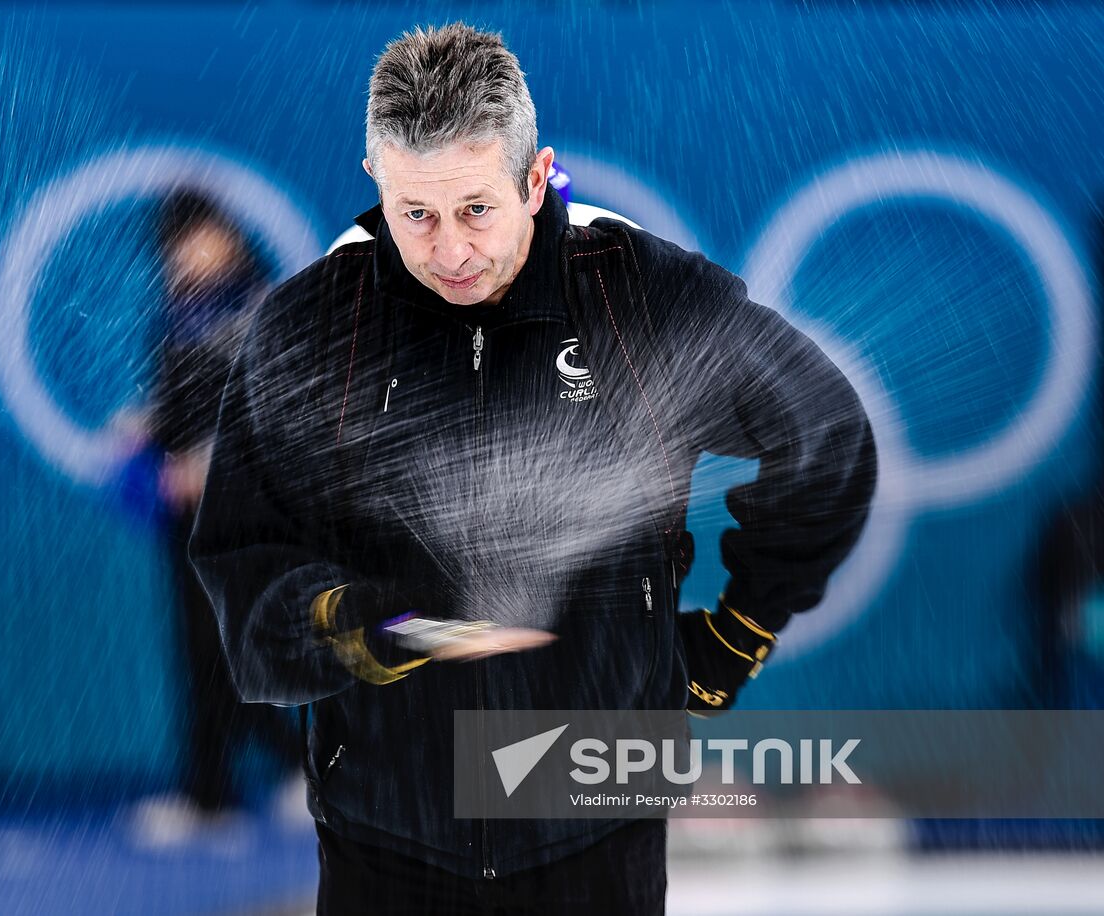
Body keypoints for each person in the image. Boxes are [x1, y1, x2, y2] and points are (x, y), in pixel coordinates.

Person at [190, 23, 876, 913]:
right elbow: (245, 574)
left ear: (536, 173)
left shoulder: (642, 294)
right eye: (416, 214)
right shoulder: (312, 325)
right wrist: (367, 627)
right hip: (383, 835)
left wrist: (736, 635)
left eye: (475, 208)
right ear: (376, 184)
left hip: (596, 820)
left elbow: (826, 434)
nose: (449, 251)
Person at [126, 188, 303, 844]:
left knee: (226, 650)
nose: (189, 253)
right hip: (184, 514)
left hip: (240, 507)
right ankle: (222, 789)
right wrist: (146, 427)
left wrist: (210, 458)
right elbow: (176, 403)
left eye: (201, 236)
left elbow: (273, 408)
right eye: (177, 242)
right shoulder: (177, 313)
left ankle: (252, 781)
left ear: (228, 237)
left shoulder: (258, 306)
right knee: (202, 656)